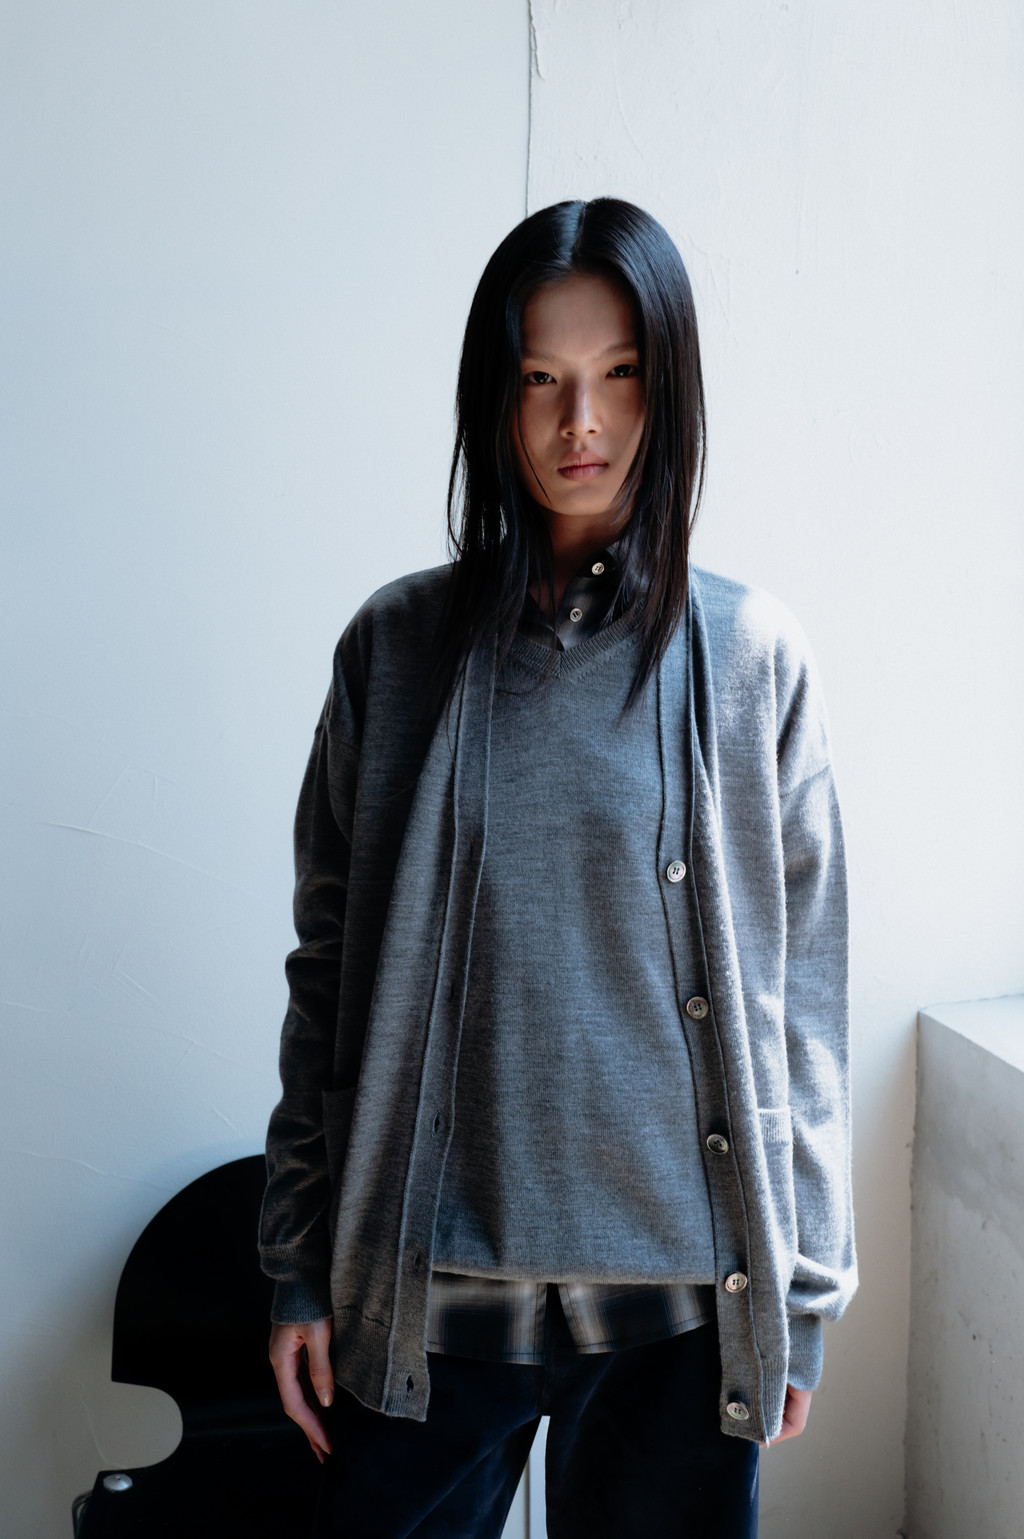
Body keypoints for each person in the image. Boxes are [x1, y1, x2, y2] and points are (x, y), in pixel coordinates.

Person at [258, 197, 857, 1538]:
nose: (580, 421)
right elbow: (325, 978)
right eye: (541, 378)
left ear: (669, 386)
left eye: (619, 373)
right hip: (429, 1298)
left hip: (682, 1311)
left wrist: (806, 1293)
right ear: (495, 397)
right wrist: (297, 1262)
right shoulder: (394, 652)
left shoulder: (751, 657)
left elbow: (803, 1006)